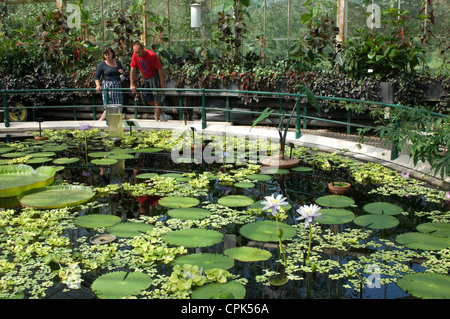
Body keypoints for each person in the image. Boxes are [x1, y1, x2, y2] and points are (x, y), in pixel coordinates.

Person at [129, 41, 166, 121]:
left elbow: (160, 69)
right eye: (136, 52)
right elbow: (132, 69)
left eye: (139, 52)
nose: (138, 54)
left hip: (154, 76)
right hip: (146, 77)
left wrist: (162, 84)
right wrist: (131, 84)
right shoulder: (135, 55)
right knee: (147, 97)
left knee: (156, 97)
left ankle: (156, 120)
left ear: (143, 49)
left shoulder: (152, 55)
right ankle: (162, 113)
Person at [94, 47, 126, 121]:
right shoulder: (101, 65)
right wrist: (98, 85)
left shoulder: (118, 63)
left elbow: (123, 74)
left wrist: (122, 72)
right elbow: (97, 77)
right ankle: (102, 120)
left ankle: (115, 120)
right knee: (108, 104)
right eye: (105, 55)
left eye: (108, 54)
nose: (107, 56)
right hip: (107, 86)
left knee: (117, 104)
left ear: (112, 54)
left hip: (117, 86)